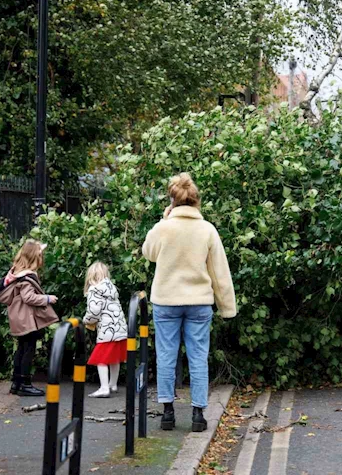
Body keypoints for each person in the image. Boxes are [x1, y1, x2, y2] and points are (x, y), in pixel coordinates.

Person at [142, 173, 236, 432]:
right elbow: (220, 272)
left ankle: (168, 413)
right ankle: (198, 415)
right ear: (196, 201)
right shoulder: (207, 229)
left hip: (166, 301)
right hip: (199, 303)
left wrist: (164, 219)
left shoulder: (164, 227)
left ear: (172, 201)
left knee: (166, 355)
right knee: (197, 357)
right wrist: (227, 307)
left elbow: (148, 253)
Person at [0, 240, 59, 396]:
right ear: (34, 257)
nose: (42, 258)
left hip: (18, 317)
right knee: (28, 349)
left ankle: (16, 383)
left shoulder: (16, 272)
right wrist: (47, 298)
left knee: (21, 348)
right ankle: (25, 384)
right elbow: (28, 297)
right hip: (26, 319)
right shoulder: (28, 276)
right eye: (40, 255)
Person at [82, 261, 128, 398]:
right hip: (119, 330)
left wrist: (86, 320)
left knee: (100, 359)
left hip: (107, 332)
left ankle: (103, 388)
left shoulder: (94, 290)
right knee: (114, 359)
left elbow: (93, 312)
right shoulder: (111, 289)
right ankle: (112, 384)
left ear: (91, 276)